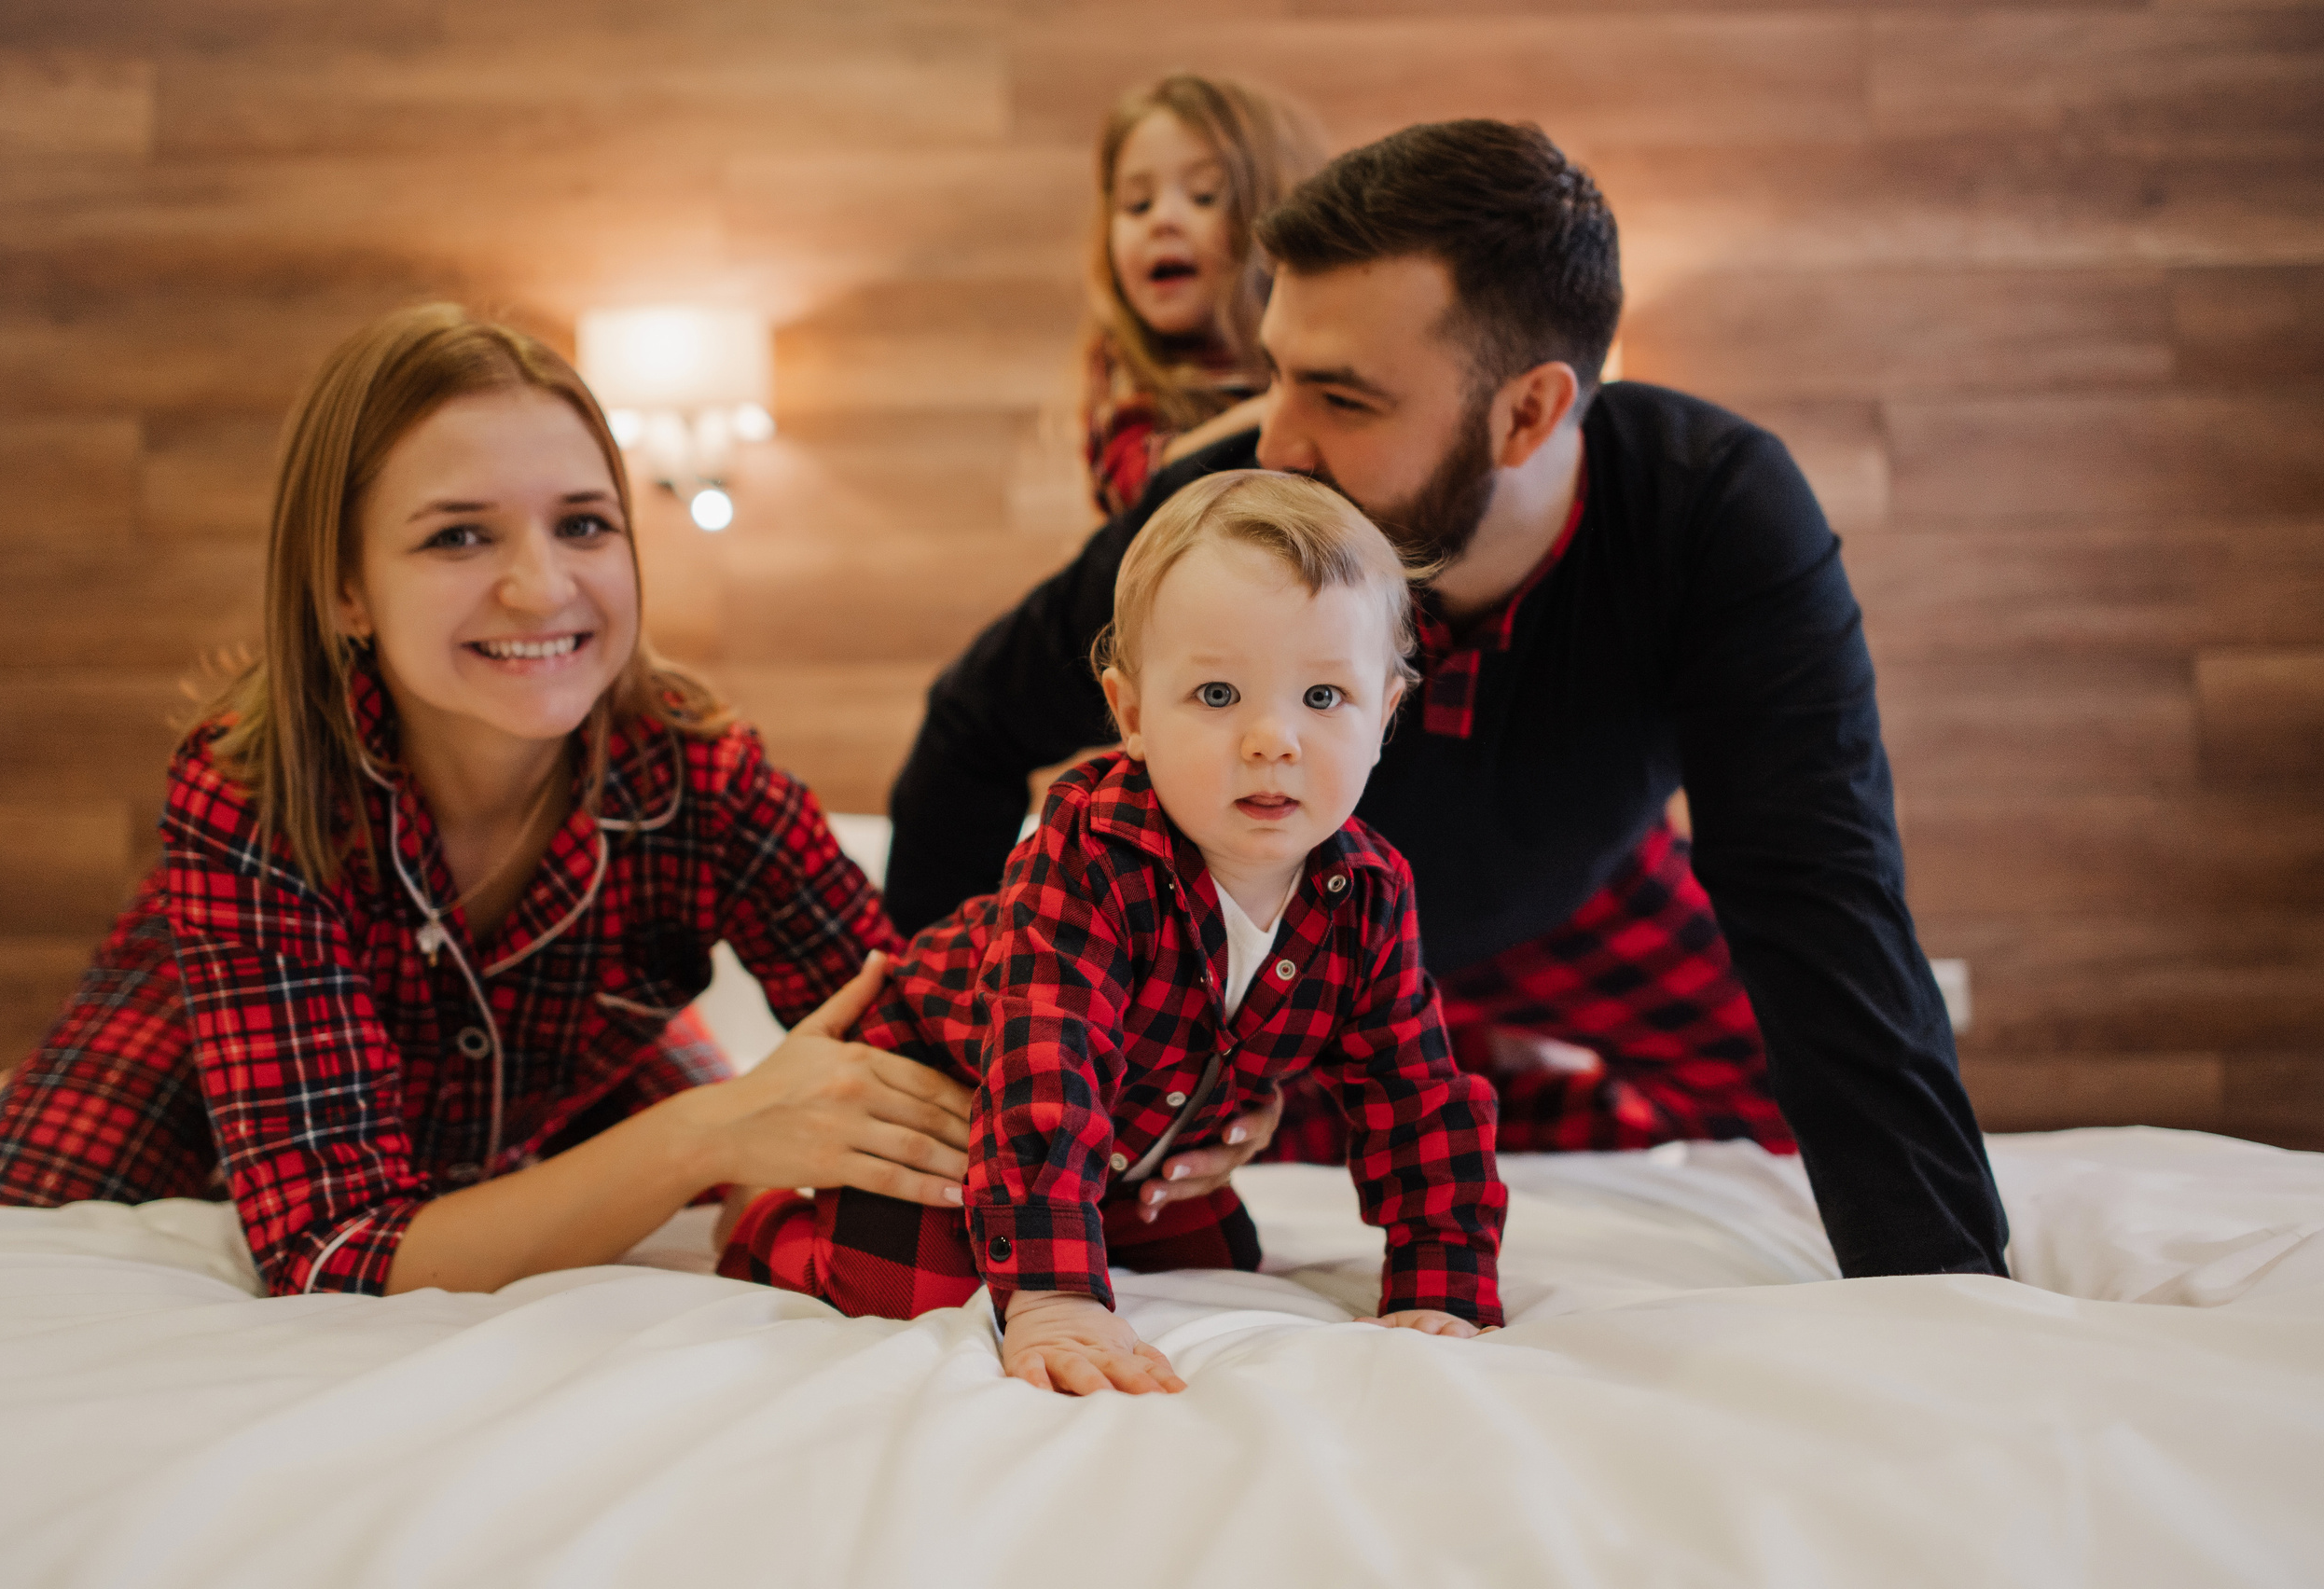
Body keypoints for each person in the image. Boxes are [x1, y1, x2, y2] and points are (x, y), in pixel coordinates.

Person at [886, 122, 2012, 1280]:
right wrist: (921, 1063)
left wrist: (1950, 1294)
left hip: (1582, 881)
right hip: (1299, 926)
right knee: (1226, 1115)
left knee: (1759, 1098)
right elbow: (973, 728)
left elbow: (1824, 903)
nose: (1275, 442)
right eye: (1278, 371)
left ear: (1527, 413)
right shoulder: (1224, 515)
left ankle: (1476, 1090)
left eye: (1341, 396)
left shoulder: (1714, 513)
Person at [0, 305, 989, 1297]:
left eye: (583, 524)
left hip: (548, 1097)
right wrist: (711, 1135)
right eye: (458, 537)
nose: (540, 588)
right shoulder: (257, 798)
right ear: (346, 588)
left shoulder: (699, 776)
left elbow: (915, 1042)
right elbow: (331, 1251)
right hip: (185, 1106)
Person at [724, 472, 1507, 1394]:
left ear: (1384, 716)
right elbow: (1044, 1064)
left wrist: (1441, 1284)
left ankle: (1072, 1227)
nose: (1271, 739)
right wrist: (1054, 1296)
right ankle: (764, 1215)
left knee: (1219, 1257)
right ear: (1132, 715)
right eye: (1216, 695)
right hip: (946, 1103)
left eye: (1324, 698)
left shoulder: (1369, 894)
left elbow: (1411, 1092)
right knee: (912, 1290)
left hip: (1128, 1147)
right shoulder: (1092, 850)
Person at [1081, 73, 1323, 518]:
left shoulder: (1323, 349)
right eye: (1138, 204)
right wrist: (1278, 412)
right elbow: (1138, 490)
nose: (1163, 220)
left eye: (1204, 196)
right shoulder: (1127, 369)